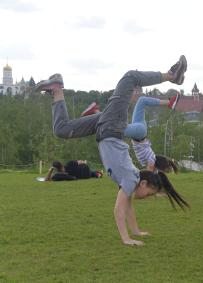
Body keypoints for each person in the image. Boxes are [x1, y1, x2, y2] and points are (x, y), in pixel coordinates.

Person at [35, 55, 190, 245]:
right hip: (112, 126)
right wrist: (126, 239)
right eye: (150, 193)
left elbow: (128, 208)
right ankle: (172, 75)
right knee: (130, 77)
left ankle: (57, 89)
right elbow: (118, 210)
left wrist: (136, 231)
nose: (147, 198)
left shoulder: (131, 179)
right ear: (143, 184)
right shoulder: (131, 178)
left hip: (103, 127)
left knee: (62, 130)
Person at [81, 94, 180, 174]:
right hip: (139, 133)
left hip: (141, 129)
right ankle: (95, 111)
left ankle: (169, 103)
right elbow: (147, 173)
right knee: (113, 126)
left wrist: (168, 167)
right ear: (159, 166)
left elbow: (152, 172)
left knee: (142, 100)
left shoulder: (153, 163)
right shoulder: (151, 161)